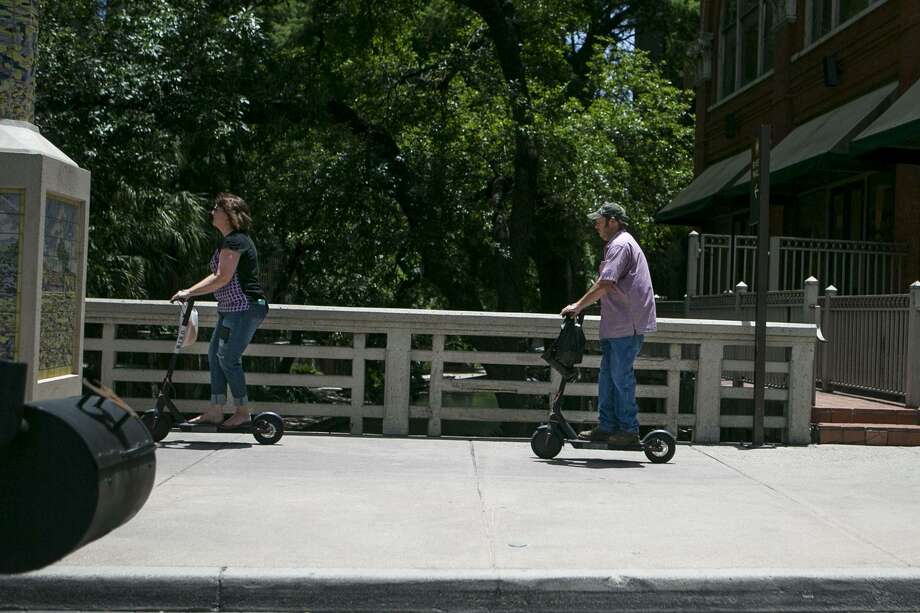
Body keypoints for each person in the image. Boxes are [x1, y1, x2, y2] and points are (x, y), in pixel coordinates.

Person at [560, 202, 656, 446]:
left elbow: (605, 283)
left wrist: (578, 306)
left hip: (627, 324)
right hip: (618, 324)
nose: (595, 225)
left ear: (612, 221)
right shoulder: (617, 245)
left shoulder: (621, 245)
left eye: (599, 220)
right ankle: (607, 426)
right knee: (607, 377)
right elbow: (607, 284)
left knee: (620, 377)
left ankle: (628, 430)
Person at [170, 193, 269, 429]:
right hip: (230, 309)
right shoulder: (228, 241)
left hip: (245, 307)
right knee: (215, 356)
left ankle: (243, 412)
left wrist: (189, 292)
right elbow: (218, 275)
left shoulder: (236, 241)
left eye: (217, 208)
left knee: (228, 358)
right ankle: (215, 410)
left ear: (230, 215)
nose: (212, 211)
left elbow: (222, 277)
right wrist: (190, 290)